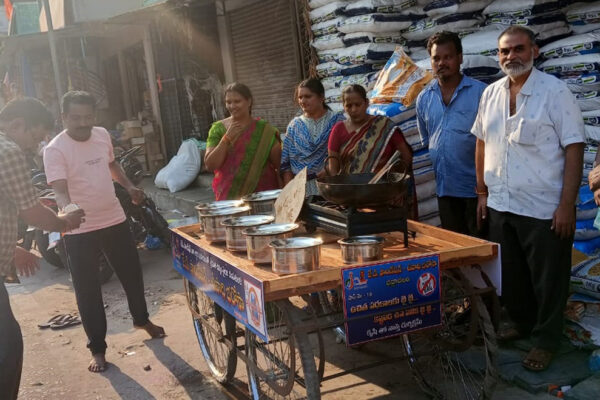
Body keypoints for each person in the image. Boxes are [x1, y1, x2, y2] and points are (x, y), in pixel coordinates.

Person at [472, 26, 585, 371]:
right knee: (513, 276)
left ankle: (547, 340)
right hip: (501, 203)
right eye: (505, 51)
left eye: (518, 49)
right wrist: (481, 193)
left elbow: (575, 147)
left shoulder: (555, 92)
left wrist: (567, 204)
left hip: (543, 208)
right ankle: (522, 325)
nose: (511, 57)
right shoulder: (490, 94)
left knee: (549, 280)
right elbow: (481, 142)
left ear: (534, 51)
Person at [43, 91, 165, 373]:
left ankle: (141, 319)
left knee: (132, 275)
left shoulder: (100, 135)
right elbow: (59, 189)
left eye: (88, 117)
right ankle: (97, 349)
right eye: (76, 118)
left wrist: (128, 186)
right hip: (79, 230)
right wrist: (68, 210)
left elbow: (111, 164)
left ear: (94, 117)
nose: (83, 124)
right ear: (64, 117)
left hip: (114, 218)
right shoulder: (55, 149)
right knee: (88, 291)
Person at [0, 98, 85, 400]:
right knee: (7, 348)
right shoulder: (8, 152)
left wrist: (10, 249)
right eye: (33, 137)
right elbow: (32, 212)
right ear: (18, 124)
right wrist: (64, 221)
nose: (30, 146)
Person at [416, 31, 487, 236]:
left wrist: (484, 192)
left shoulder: (481, 93)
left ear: (460, 58)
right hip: (445, 191)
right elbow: (429, 140)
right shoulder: (424, 98)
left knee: (481, 252)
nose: (442, 63)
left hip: (476, 192)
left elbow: (494, 144)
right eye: (436, 58)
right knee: (456, 253)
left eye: (448, 57)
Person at [204, 83, 281, 200]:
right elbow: (210, 164)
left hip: (263, 198)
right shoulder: (218, 129)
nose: (232, 106)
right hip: (231, 199)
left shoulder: (265, 130)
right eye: (228, 102)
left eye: (237, 101)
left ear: (249, 102)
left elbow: (280, 165)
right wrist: (226, 138)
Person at [327, 84, 413, 175]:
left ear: (366, 103)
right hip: (350, 188)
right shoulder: (338, 130)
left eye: (358, 104)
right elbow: (333, 168)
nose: (354, 109)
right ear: (343, 106)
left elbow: (406, 156)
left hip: (384, 186)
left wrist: (393, 179)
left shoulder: (383, 125)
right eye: (349, 106)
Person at [281, 78, 345, 196]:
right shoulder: (294, 126)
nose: (303, 101)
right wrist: (290, 193)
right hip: (301, 191)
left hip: (331, 187)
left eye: (308, 96)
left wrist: (329, 169)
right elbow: (286, 164)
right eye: (300, 97)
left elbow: (347, 154)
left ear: (321, 97)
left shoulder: (337, 121)